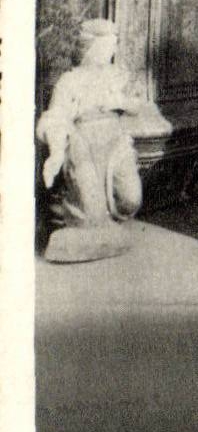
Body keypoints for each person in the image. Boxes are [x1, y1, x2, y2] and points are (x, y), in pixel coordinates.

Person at [37, 19, 143, 259]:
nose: (113, 51)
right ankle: (80, 214)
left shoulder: (117, 76)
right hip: (83, 147)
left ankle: (99, 214)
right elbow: (54, 118)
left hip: (115, 147)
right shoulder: (70, 81)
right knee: (92, 219)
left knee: (131, 200)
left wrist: (121, 102)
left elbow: (136, 104)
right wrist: (55, 153)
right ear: (93, 48)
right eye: (109, 46)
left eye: (115, 45)